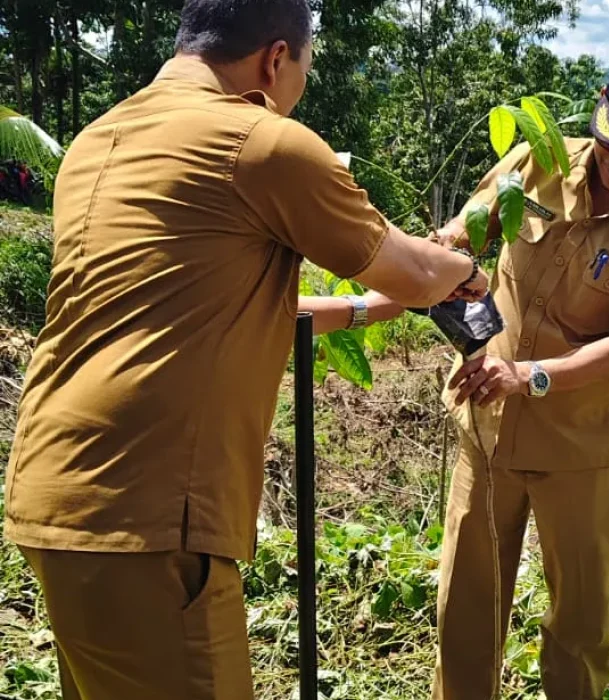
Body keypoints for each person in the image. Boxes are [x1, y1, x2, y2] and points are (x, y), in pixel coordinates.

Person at [2, 1, 487, 698]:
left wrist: (359, 310)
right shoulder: (261, 143)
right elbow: (412, 271)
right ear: (275, 58)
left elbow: (188, 304)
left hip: (51, 495)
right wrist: (466, 272)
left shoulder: (100, 138)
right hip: (147, 515)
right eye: (307, 67)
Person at [430, 43, 609, 700]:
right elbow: (458, 244)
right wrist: (467, 335)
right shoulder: (536, 163)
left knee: (578, 625)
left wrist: (529, 377)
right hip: (487, 434)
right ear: (600, 106)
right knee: (465, 609)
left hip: (580, 453)